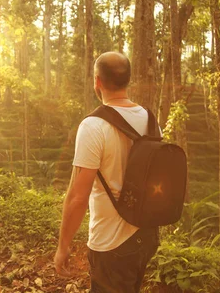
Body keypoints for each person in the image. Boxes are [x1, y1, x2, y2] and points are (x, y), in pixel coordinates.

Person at [54, 52, 159, 293]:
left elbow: (78, 197)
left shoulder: (94, 126)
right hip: (146, 235)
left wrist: (63, 246)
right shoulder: (150, 119)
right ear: (128, 81)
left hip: (111, 243)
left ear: (97, 81)